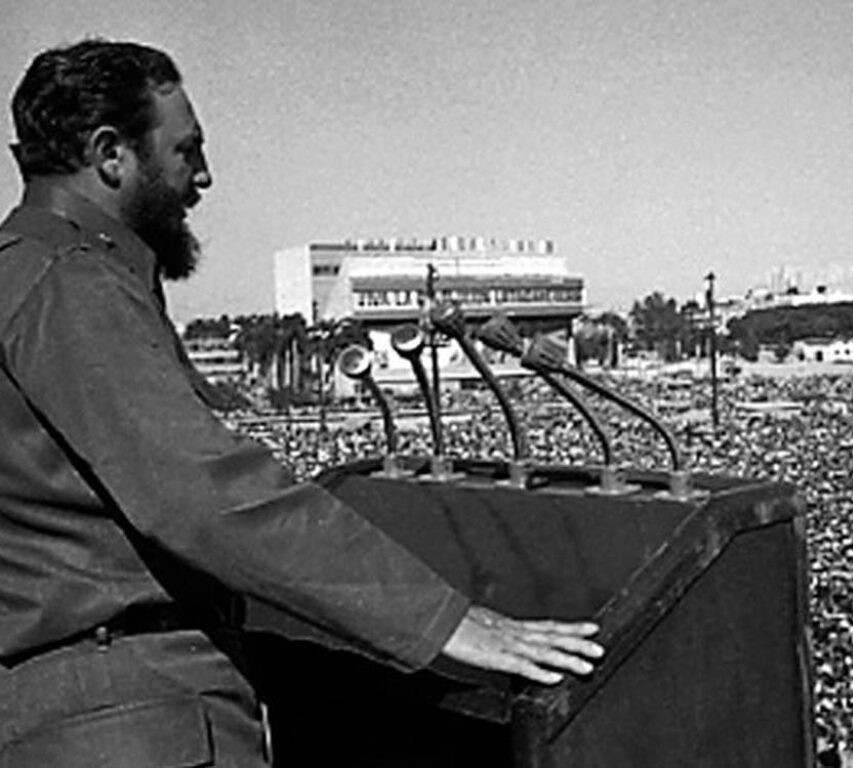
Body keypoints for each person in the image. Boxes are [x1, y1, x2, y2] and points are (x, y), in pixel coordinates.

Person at [0, 39, 603, 767]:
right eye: (186, 150)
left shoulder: (22, 275)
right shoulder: (74, 286)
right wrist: (446, 620)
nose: (204, 176)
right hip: (132, 718)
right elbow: (203, 492)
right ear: (110, 154)